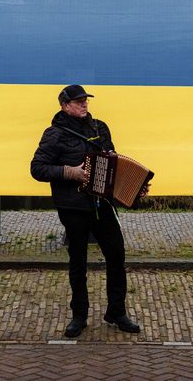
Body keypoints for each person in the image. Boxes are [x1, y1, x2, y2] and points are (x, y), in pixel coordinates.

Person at [30, 84, 141, 338]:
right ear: (65, 106)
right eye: (78, 101)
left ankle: (116, 311)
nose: (84, 104)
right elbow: (37, 168)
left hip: (102, 204)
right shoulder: (54, 135)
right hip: (73, 206)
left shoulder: (100, 128)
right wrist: (71, 172)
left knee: (116, 254)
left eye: (85, 101)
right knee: (78, 260)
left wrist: (132, 188)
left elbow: (112, 164)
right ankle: (79, 315)